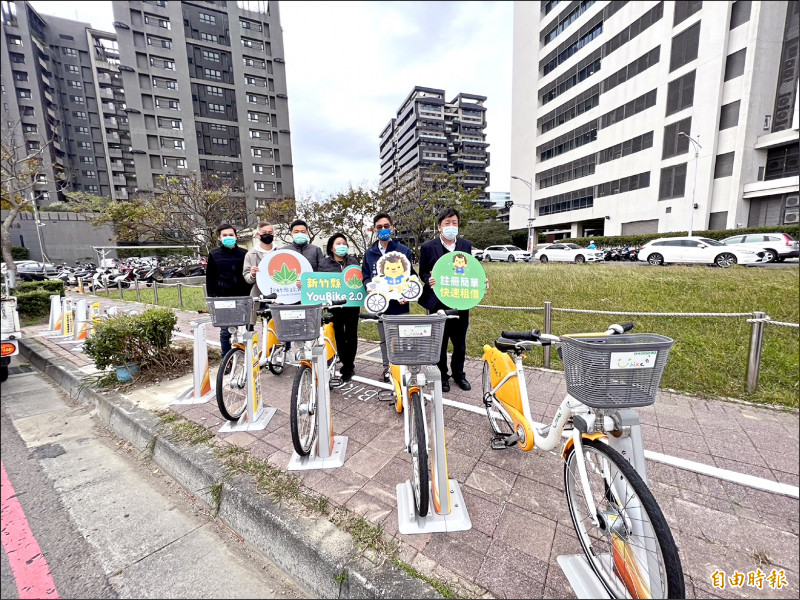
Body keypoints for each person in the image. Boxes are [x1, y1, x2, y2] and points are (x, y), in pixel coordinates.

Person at [419, 207, 482, 393]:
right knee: (440, 341)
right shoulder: (428, 247)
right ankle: (442, 375)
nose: (451, 226)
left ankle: (459, 373)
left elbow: (471, 270)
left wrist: (480, 282)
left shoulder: (465, 245)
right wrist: (427, 279)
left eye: (454, 223)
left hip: (461, 301)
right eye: (447, 223)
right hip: (437, 301)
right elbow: (423, 271)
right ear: (439, 227)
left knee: (460, 341)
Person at [362, 212, 416, 382]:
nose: (383, 230)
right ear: (374, 230)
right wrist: (369, 287)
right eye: (379, 227)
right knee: (385, 340)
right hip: (381, 304)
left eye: (386, 226)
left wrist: (407, 293)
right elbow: (366, 276)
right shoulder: (370, 253)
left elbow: (411, 276)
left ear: (392, 228)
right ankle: (388, 369)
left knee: (403, 338)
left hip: (400, 304)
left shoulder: (403, 251)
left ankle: (404, 367)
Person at [319, 232, 360, 382]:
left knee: (351, 334)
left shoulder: (353, 261)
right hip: (335, 306)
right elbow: (319, 283)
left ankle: (349, 364)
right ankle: (345, 361)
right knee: (339, 335)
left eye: (344, 243)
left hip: (352, 305)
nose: (341, 246)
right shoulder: (324, 264)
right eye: (338, 243)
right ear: (331, 247)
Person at [206, 223, 250, 356]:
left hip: (243, 297)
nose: (228, 237)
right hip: (223, 297)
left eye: (231, 235)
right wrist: (211, 298)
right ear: (219, 238)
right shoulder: (214, 254)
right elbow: (210, 278)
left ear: (236, 236)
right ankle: (226, 358)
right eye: (225, 235)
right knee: (225, 331)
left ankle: (248, 358)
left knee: (247, 328)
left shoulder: (245, 254)